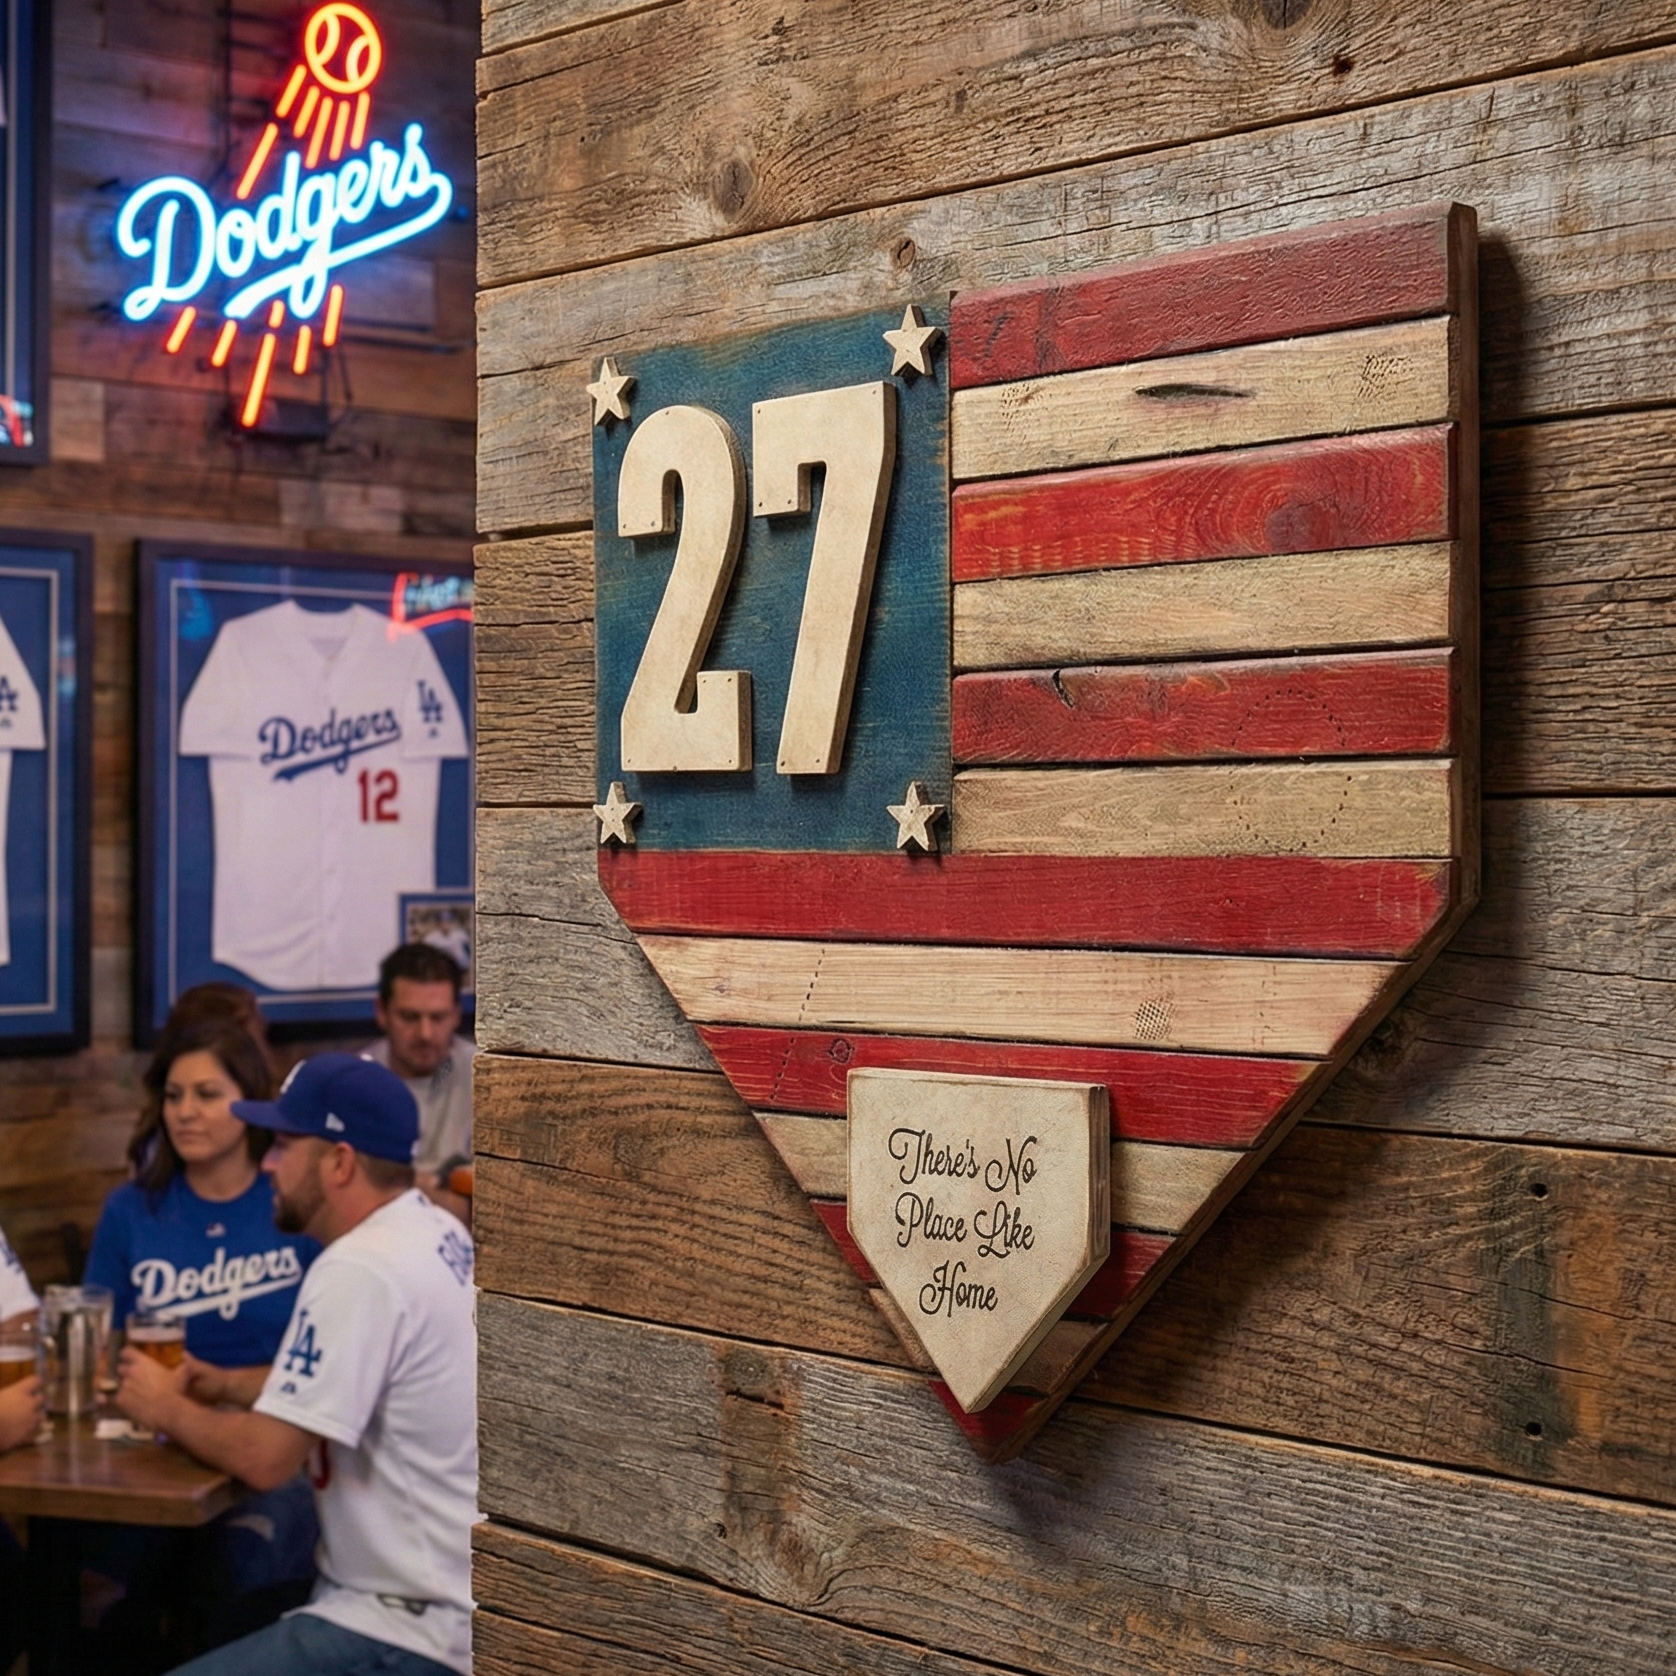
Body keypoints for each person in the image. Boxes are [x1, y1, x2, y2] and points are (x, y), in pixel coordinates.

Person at [116, 1053, 477, 1676]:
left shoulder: (358, 1267)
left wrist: (163, 1405)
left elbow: (266, 1457)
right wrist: (225, 1382)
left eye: (285, 1146)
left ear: (338, 1162)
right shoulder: (430, 1229)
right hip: (452, 1600)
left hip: (407, 1627)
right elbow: (358, 1388)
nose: (271, 1166)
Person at [82, 1009, 323, 1658]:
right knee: (92, 1594)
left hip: (275, 1441)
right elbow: (93, 1340)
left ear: (251, 1104)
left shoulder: (292, 1206)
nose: (185, 1112)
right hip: (151, 1449)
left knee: (244, 1570)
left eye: (208, 1095)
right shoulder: (131, 1209)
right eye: (173, 1096)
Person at [366, 943, 474, 1222]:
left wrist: (402, 1184)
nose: (425, 1033)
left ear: (456, 1015)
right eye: (410, 1017)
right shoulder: (356, 1080)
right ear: (382, 1012)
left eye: (437, 1018)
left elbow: (490, 1211)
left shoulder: (486, 1077)